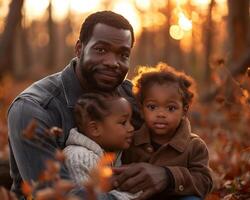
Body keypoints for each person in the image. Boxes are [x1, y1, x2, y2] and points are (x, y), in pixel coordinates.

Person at [7, 11, 167, 200]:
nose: (112, 63)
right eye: (101, 50)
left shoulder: (130, 97)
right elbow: (57, 196)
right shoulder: (34, 108)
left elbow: (188, 150)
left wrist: (168, 176)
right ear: (79, 49)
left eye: (123, 54)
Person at [116, 63, 213, 200]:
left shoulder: (194, 146)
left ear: (184, 111)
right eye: (152, 107)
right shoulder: (131, 141)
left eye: (171, 108)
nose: (161, 114)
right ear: (142, 110)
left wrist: (171, 177)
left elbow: (204, 182)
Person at [64, 93, 140, 199]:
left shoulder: (110, 153)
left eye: (130, 122)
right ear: (95, 129)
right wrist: (135, 194)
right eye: (123, 123)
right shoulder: (80, 157)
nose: (131, 128)